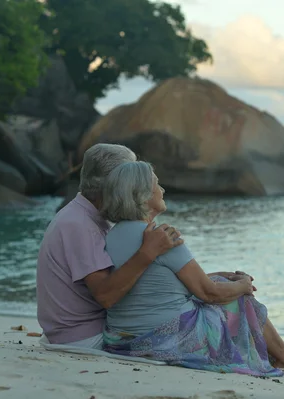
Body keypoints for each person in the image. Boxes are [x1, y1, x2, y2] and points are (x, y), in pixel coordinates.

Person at [99, 161, 284, 376]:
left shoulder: (111, 236)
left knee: (223, 283)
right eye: (156, 184)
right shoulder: (162, 238)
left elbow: (155, 282)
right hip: (166, 340)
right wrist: (243, 286)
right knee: (237, 297)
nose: (162, 189)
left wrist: (218, 276)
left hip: (122, 340)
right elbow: (209, 293)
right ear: (142, 194)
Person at [36, 143, 184, 348]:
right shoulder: (80, 225)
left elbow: (147, 281)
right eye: (132, 175)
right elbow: (106, 295)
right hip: (82, 336)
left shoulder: (87, 217)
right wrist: (147, 252)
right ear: (113, 181)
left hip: (80, 331)